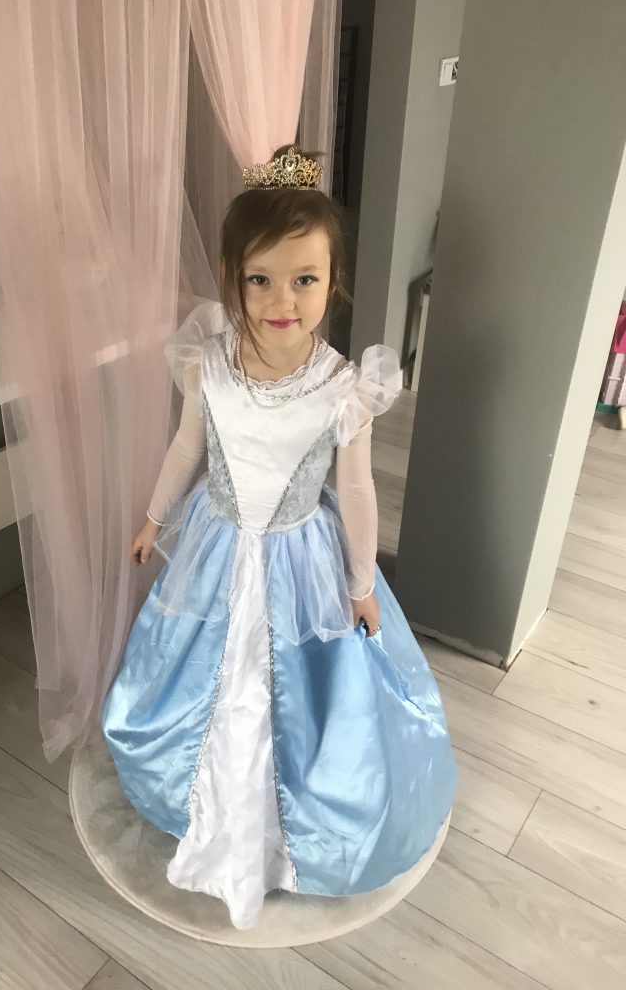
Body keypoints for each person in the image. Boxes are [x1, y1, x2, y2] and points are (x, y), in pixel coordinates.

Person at [101, 144, 458, 931]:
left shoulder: (345, 388)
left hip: (302, 558)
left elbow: (355, 489)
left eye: (305, 279)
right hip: (215, 544)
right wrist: (155, 516)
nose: (281, 299)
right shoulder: (208, 363)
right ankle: (207, 801)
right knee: (202, 673)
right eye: (259, 279)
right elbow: (189, 447)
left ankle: (291, 828)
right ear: (231, 277)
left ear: (334, 281)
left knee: (297, 694)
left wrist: (360, 583)